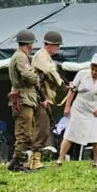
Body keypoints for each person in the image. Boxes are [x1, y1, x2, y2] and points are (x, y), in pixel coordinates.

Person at [60, 53, 97, 167]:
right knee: (70, 133)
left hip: (96, 110)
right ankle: (60, 159)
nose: (94, 72)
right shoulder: (81, 74)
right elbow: (72, 90)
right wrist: (67, 106)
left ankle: (96, 161)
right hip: (80, 107)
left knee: (96, 136)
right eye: (93, 69)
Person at [29, 29, 65, 170]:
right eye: (57, 45)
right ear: (50, 45)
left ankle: (34, 158)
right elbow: (50, 72)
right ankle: (34, 159)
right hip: (40, 97)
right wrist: (61, 84)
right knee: (41, 128)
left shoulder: (46, 57)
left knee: (43, 127)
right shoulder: (41, 56)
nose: (58, 48)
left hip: (45, 96)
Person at [7, 29, 40, 173]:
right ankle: (18, 162)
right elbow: (28, 75)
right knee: (24, 131)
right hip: (23, 97)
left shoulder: (19, 56)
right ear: (29, 44)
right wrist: (37, 78)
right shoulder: (21, 57)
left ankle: (16, 160)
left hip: (22, 97)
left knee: (25, 130)